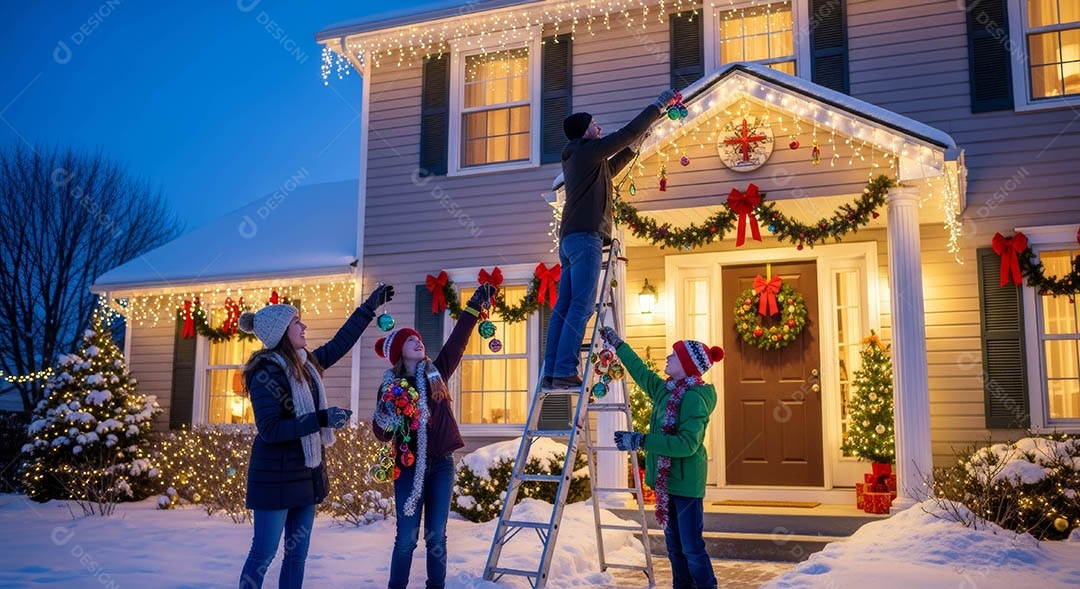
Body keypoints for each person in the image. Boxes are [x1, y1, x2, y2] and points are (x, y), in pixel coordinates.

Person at [237, 283, 394, 589]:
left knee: (297, 556)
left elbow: (339, 344)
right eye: (297, 322)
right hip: (273, 478)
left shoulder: (306, 365)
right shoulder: (266, 373)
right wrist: (322, 418)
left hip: (305, 474)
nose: (304, 325)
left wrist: (368, 308)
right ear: (281, 331)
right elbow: (271, 429)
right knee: (263, 553)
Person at [543, 89, 679, 390]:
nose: (598, 128)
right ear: (583, 132)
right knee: (581, 305)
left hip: (570, 239)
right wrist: (659, 105)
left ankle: (552, 369)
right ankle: (565, 369)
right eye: (594, 124)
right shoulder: (585, 150)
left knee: (564, 306)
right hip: (585, 237)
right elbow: (626, 132)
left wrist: (634, 148)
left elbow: (611, 169)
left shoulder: (583, 159)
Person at [372, 283, 496, 589]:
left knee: (436, 536)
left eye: (418, 338)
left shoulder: (436, 373)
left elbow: (457, 342)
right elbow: (381, 432)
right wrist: (390, 410)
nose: (418, 341)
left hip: (441, 463)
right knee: (406, 538)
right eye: (410, 340)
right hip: (408, 467)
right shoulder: (390, 388)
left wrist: (474, 305)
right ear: (399, 351)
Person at [601, 326, 724, 589]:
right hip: (666, 484)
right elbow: (641, 373)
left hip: (687, 483)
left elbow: (687, 444)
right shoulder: (665, 391)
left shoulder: (694, 397)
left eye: (674, 356)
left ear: (687, 366)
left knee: (691, 547)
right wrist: (619, 345)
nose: (667, 358)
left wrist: (641, 440)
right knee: (674, 548)